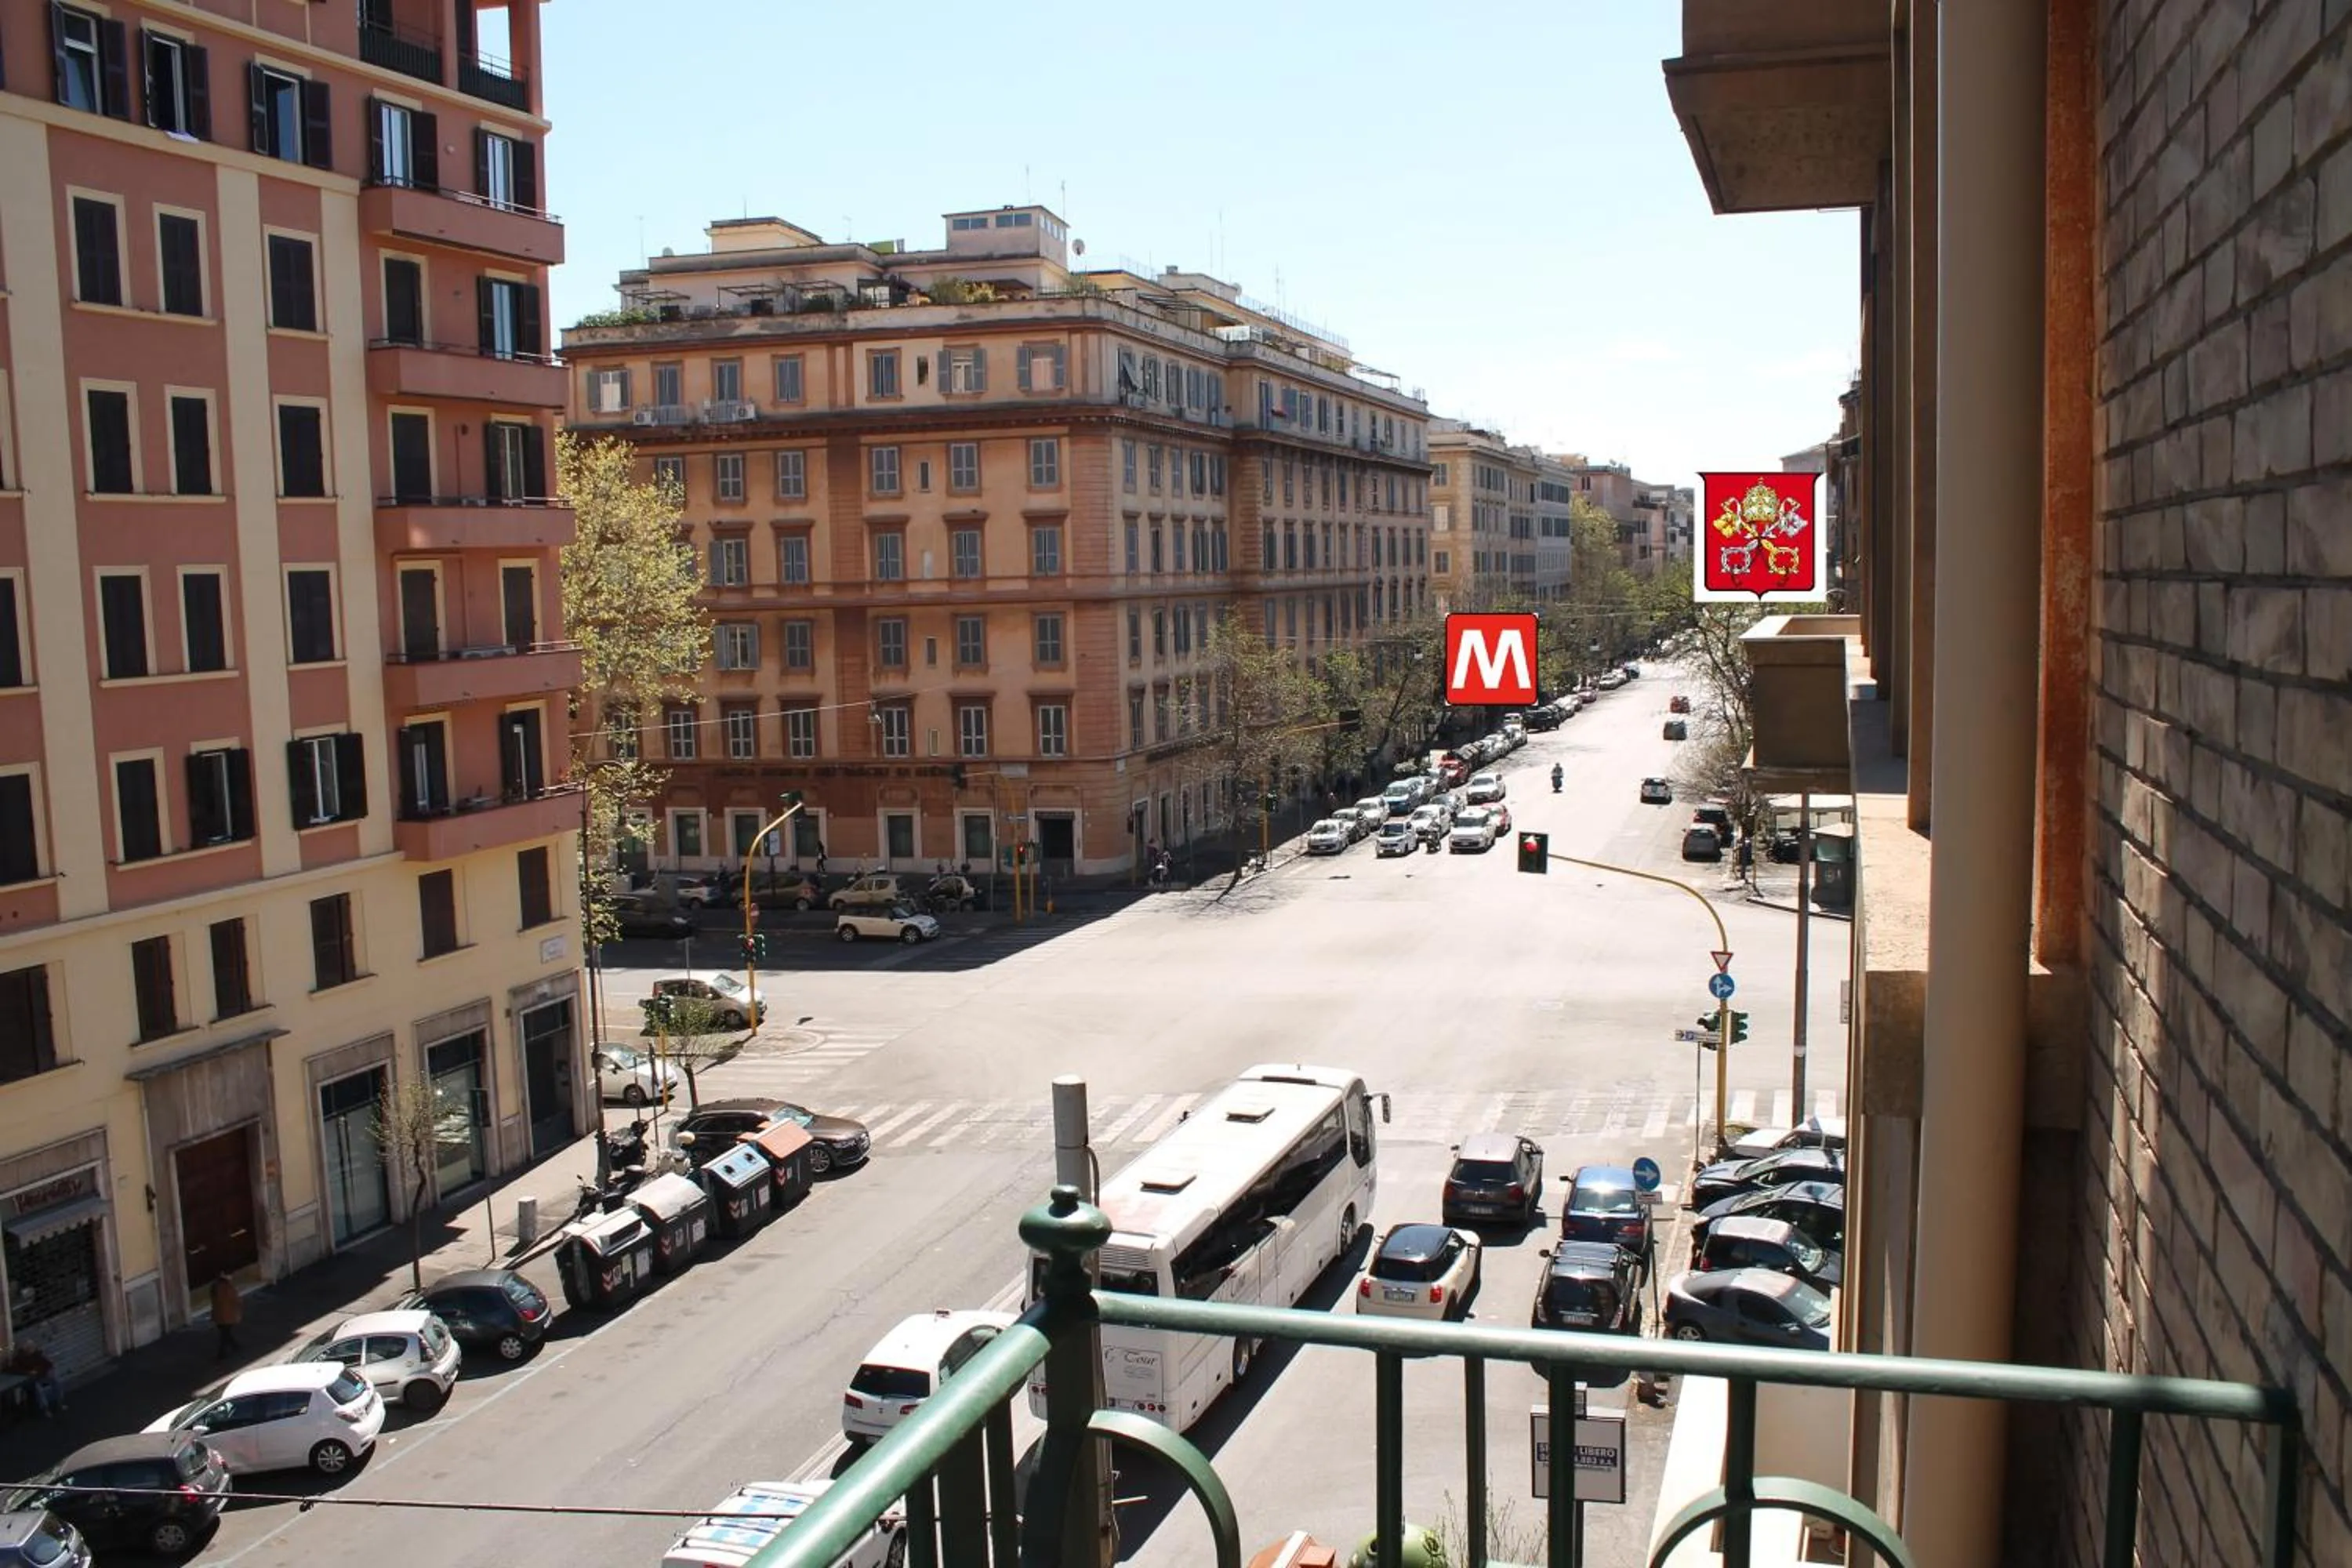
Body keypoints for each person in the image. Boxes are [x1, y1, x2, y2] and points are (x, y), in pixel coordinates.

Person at [5, 1342, 63, 1417]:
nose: (31, 1350)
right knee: (38, 1389)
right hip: (30, 1380)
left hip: (40, 1376)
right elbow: (14, 1370)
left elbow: (48, 1364)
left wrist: (49, 1371)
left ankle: (59, 1403)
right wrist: (28, 1372)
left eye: (32, 1348)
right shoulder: (19, 1359)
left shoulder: (38, 1355)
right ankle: (46, 1409)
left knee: (56, 1381)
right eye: (29, 1349)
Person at [210, 1272, 242, 1359]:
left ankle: (232, 1348)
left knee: (224, 1334)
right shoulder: (229, 1288)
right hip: (229, 1316)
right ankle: (225, 1352)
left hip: (219, 1315)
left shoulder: (215, 1287)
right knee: (225, 1335)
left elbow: (214, 1301)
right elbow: (236, 1300)